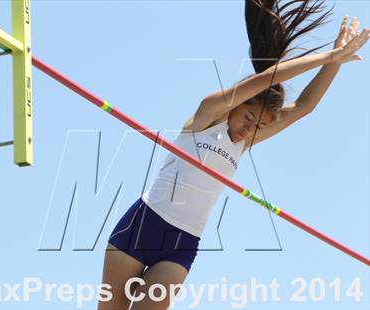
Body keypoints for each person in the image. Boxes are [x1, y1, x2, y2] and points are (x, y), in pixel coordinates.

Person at [98, 1, 370, 309]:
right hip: (143, 225)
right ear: (236, 104)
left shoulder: (243, 143)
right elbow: (265, 80)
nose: (249, 129)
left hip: (181, 244)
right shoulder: (206, 117)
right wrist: (329, 56)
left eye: (260, 127)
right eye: (248, 118)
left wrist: (335, 61)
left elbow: (305, 106)